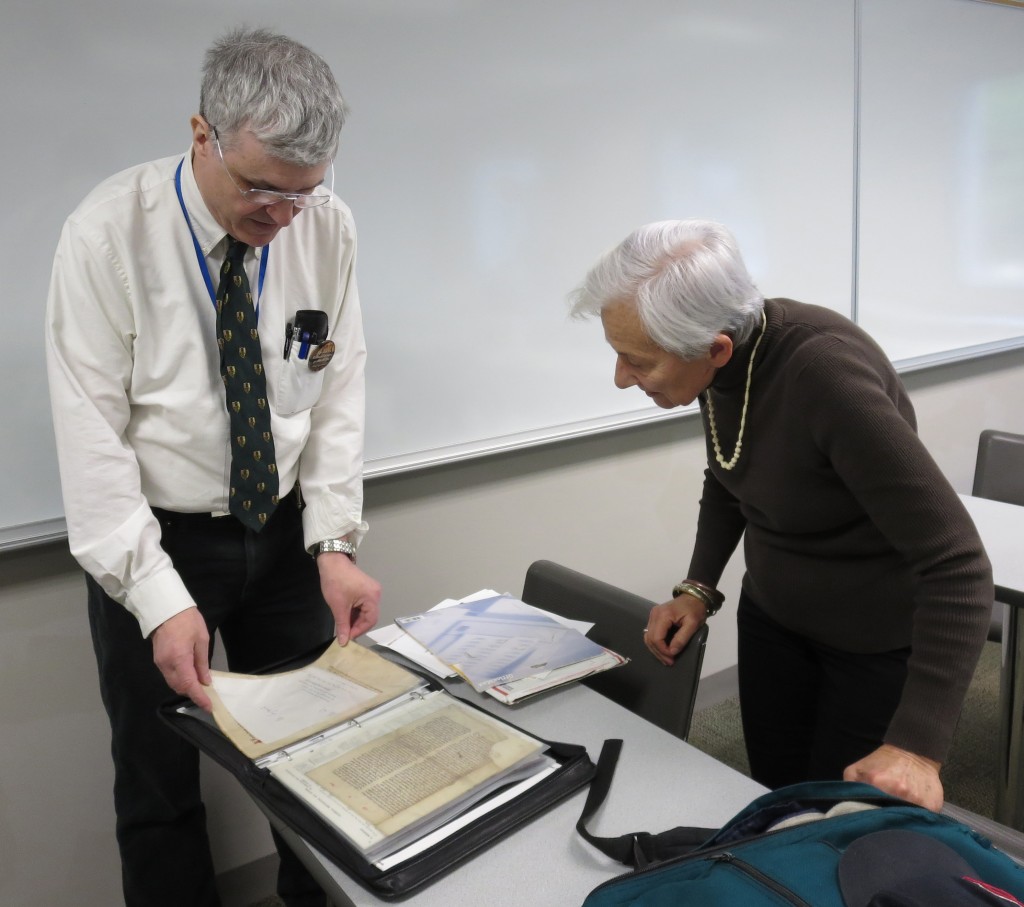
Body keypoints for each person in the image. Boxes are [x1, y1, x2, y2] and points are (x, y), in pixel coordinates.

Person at [45, 28, 380, 907]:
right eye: (261, 188)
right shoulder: (106, 235)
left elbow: (337, 386)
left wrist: (334, 541)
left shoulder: (326, 227)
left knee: (312, 765)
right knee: (157, 786)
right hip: (155, 544)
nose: (281, 217)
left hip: (282, 535)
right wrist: (158, 599)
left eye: (302, 195)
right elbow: (93, 446)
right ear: (203, 135)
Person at [568, 219, 993, 811]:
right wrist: (698, 589)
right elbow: (728, 472)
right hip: (774, 619)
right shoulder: (723, 360)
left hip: (867, 640)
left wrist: (918, 749)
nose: (621, 379)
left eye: (637, 362)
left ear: (715, 347)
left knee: (831, 817)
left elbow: (958, 564)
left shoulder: (825, 374)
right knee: (773, 789)